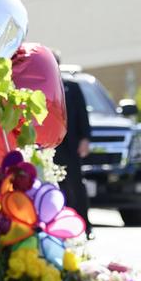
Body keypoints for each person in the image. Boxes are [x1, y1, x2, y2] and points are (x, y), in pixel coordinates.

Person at [53, 63, 93, 239]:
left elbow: (82, 114)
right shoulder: (39, 85)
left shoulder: (72, 86)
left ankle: (85, 225)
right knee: (55, 187)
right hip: (50, 146)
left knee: (76, 185)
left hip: (71, 144)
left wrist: (85, 138)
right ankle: (58, 227)